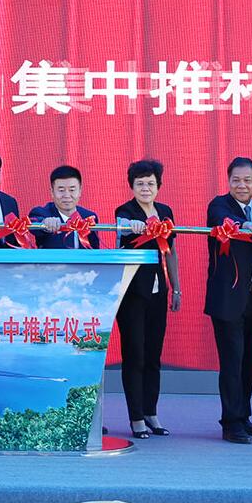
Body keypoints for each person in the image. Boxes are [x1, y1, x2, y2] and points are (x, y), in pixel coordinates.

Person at [204, 157, 252, 444]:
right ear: (228, 181)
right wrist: (246, 225)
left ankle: (243, 415)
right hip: (228, 298)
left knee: (249, 361)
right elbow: (225, 222)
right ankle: (231, 422)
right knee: (232, 361)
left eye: (247, 180)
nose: (241, 185)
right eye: (236, 180)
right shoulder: (219, 205)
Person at [114, 159, 180, 440]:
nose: (145, 188)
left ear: (158, 186)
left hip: (158, 291)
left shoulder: (165, 212)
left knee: (154, 355)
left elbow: (171, 251)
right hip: (132, 294)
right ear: (132, 186)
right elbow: (121, 231)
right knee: (135, 355)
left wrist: (176, 288)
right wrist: (131, 227)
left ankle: (152, 413)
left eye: (150, 183)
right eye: (139, 183)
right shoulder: (124, 211)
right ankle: (136, 417)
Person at [30, 165, 101, 249]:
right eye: (61, 190)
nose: (67, 195)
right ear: (52, 192)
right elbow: (33, 224)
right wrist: (45, 223)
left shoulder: (89, 217)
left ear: (80, 191)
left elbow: (94, 251)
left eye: (72, 190)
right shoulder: (41, 213)